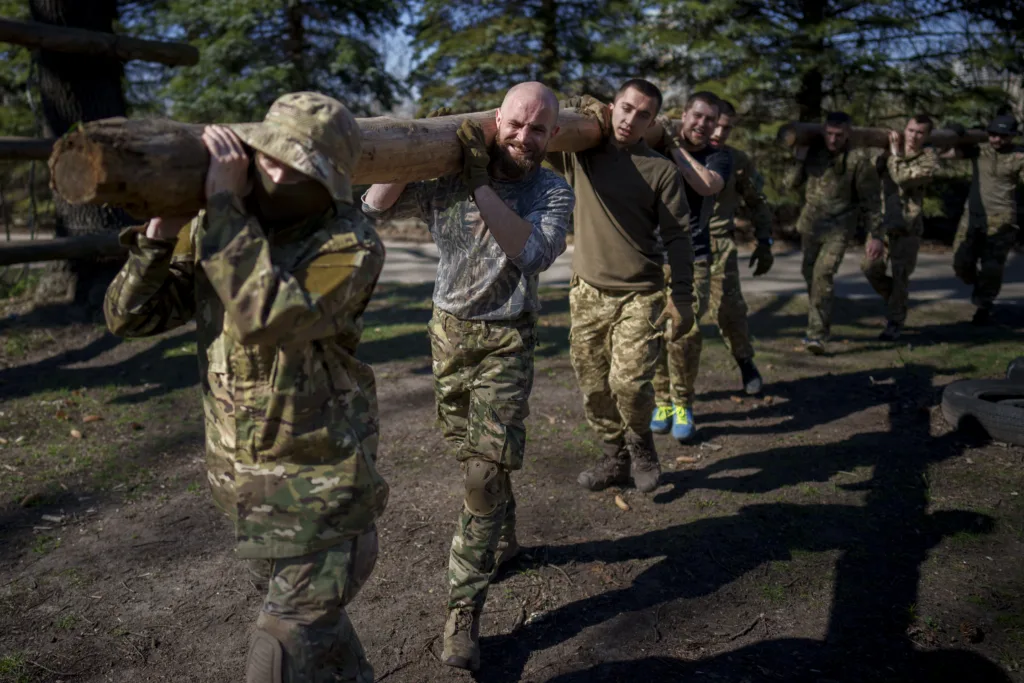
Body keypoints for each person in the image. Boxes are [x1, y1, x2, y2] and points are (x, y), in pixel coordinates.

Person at [104, 93, 388, 682]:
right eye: (269, 156)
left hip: (323, 494)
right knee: (320, 637)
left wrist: (224, 205)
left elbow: (270, 316)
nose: (277, 173)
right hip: (245, 490)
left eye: (298, 164)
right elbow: (129, 318)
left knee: (279, 649)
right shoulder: (223, 224)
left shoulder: (350, 243)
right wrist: (160, 235)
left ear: (329, 178)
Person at [362, 82, 574, 672]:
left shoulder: (552, 190)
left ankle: (463, 613)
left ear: (553, 135)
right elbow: (375, 207)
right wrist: (417, 146)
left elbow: (531, 254)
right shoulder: (448, 177)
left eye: (537, 129)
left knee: (481, 475)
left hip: (507, 340)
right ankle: (503, 539)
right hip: (448, 338)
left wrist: (481, 181)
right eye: (515, 124)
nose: (524, 138)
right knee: (473, 460)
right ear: (494, 122)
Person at [548, 79, 694, 493]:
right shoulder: (582, 154)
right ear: (613, 107)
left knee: (628, 384)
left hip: (640, 294)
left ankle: (642, 444)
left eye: (642, 114)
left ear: (652, 122)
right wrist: (582, 105)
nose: (631, 120)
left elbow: (679, 237)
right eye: (626, 108)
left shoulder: (661, 170)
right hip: (587, 291)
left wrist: (682, 296)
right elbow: (549, 121)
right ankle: (615, 458)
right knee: (593, 386)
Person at [649, 91, 732, 443]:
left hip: (693, 257)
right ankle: (662, 401)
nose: (701, 124)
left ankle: (683, 403)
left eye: (709, 120)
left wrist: (675, 148)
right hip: (651, 256)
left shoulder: (718, 156)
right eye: (696, 116)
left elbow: (706, 185)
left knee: (684, 334)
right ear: (684, 115)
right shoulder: (656, 143)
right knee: (653, 332)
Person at [786, 111, 882, 354]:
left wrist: (876, 235)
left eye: (838, 135)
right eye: (829, 134)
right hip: (811, 224)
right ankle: (819, 316)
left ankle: (817, 335)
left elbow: (871, 201)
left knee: (823, 275)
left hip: (839, 228)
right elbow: (789, 185)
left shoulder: (858, 160)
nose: (833, 139)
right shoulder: (814, 152)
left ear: (847, 134)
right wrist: (798, 159)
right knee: (809, 273)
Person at [861, 114, 940, 340]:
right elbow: (869, 175)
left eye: (919, 132)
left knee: (901, 276)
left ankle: (895, 322)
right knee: (869, 266)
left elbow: (902, 178)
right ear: (905, 129)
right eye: (911, 130)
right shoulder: (889, 152)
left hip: (907, 227)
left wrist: (894, 154)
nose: (913, 136)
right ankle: (896, 301)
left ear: (927, 136)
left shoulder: (928, 159)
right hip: (882, 225)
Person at [949, 115, 1024, 325]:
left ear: (1012, 137)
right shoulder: (979, 150)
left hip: (1001, 218)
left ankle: (984, 305)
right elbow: (948, 154)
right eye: (993, 135)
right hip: (972, 216)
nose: (997, 140)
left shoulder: (1019, 157)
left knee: (992, 267)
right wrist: (956, 135)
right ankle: (980, 287)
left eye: (1003, 136)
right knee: (960, 263)